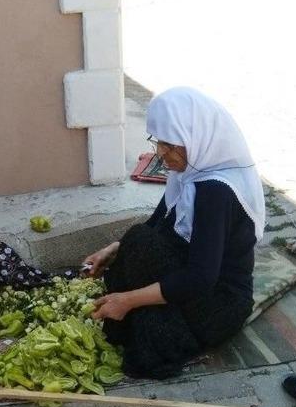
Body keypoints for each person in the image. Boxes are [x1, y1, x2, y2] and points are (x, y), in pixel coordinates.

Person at [83, 87, 265, 379]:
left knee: (142, 332)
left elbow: (200, 278)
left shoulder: (215, 191)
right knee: (137, 239)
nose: (160, 153)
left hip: (220, 302)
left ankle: (171, 332)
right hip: (197, 281)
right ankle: (142, 310)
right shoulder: (188, 172)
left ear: (196, 138)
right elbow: (157, 223)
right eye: (158, 141)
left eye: (170, 144)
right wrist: (111, 250)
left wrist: (127, 300)